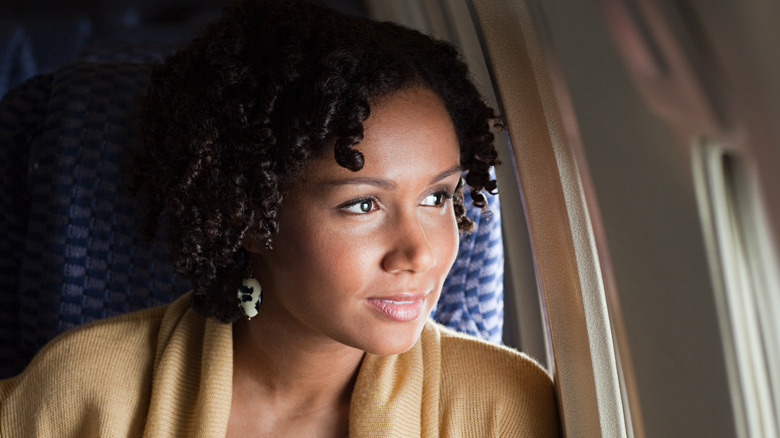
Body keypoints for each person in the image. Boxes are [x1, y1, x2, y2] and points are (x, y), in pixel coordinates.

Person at [0, 0, 560, 436]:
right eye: (363, 204)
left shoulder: (505, 408)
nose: (419, 253)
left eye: (437, 197)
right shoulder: (83, 390)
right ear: (251, 214)